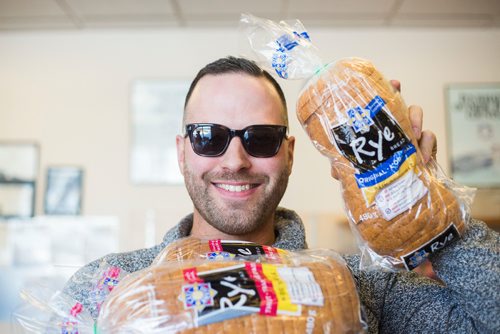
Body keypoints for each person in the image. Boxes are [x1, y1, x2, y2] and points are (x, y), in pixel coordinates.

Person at [63, 56, 499, 333]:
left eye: (261, 138)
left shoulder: (361, 288)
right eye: (209, 136)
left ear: (289, 153)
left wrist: (428, 213)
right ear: (182, 152)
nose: (235, 160)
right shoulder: (111, 287)